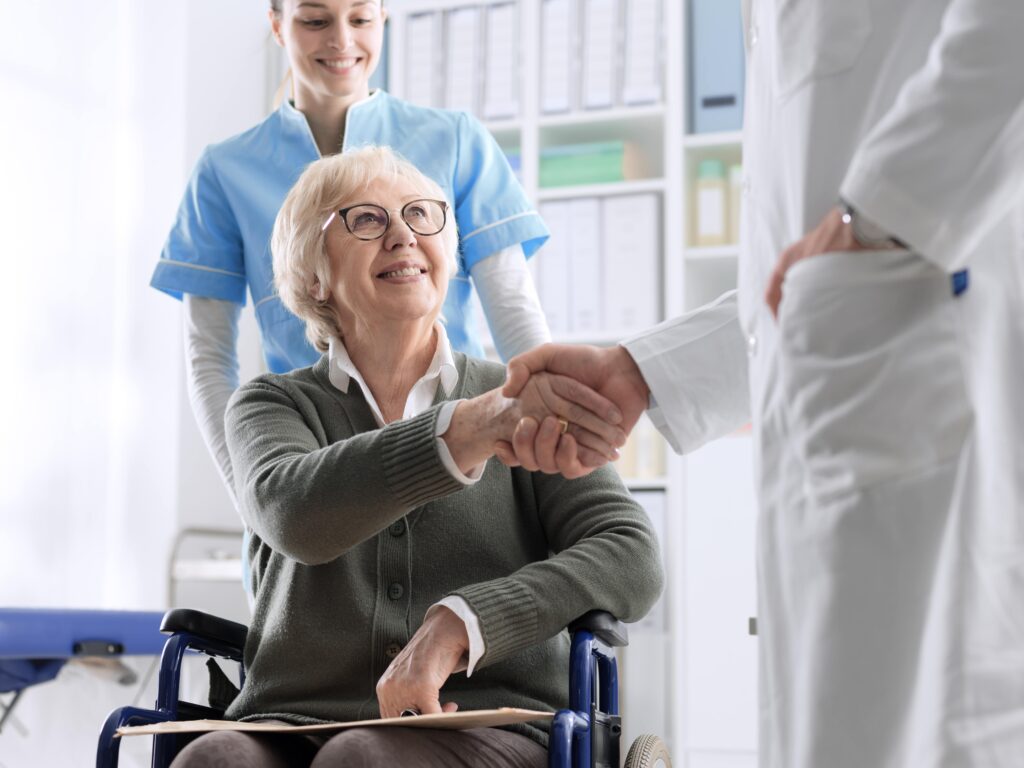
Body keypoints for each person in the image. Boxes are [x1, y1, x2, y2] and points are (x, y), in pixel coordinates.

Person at [500, 2, 1024, 767]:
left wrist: (878, 216)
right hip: (853, 391)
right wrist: (639, 371)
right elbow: (790, 276)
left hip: (931, 375)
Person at [169, 146, 663, 768]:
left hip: (485, 722)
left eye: (422, 215)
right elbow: (293, 512)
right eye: (367, 220)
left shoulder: (522, 399)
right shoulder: (271, 405)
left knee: (362, 759)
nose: (403, 234)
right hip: (289, 722)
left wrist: (466, 622)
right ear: (314, 274)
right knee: (211, 760)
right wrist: (464, 430)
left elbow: (631, 554)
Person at [150, 0, 550, 502]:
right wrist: (257, 502)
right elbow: (207, 355)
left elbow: (514, 310)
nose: (341, 40)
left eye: (360, 18)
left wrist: (555, 436)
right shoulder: (225, 170)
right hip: (313, 460)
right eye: (316, 20)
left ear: (383, 18)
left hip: (457, 442)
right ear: (277, 24)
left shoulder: (455, 140)